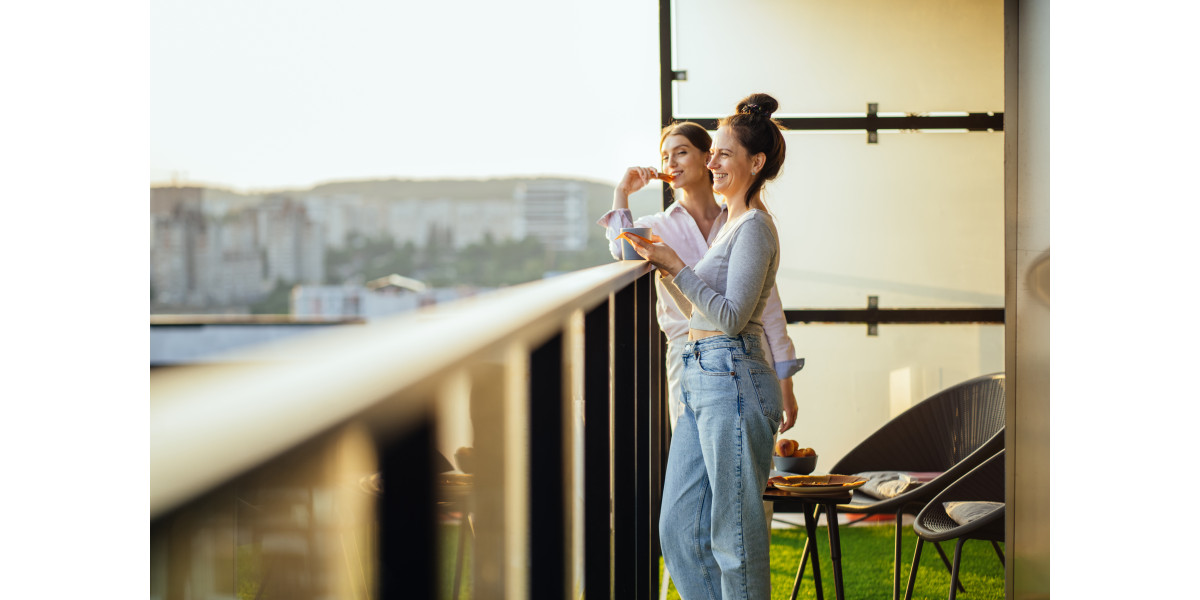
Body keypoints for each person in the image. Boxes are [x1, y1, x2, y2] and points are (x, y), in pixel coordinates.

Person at [622, 93, 789, 600]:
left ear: (755, 164)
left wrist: (676, 266)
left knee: (733, 535)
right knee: (677, 526)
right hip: (702, 375)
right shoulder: (729, 224)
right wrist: (663, 263)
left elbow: (735, 317)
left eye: (722, 153)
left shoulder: (754, 227)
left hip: (733, 378)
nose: (711, 161)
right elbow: (701, 309)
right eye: (711, 152)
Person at [597, 121, 803, 436]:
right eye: (665, 157)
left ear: (708, 157)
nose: (671, 163)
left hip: (746, 353)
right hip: (688, 351)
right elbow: (621, 248)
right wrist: (622, 192)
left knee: (742, 460)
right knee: (696, 458)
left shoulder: (740, 221)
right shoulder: (659, 225)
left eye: (681, 152)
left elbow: (770, 303)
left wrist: (784, 379)